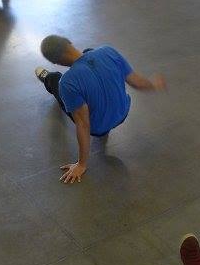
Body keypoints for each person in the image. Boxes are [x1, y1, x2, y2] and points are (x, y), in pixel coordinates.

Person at [34, 35, 165, 184]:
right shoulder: (108, 51)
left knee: (57, 80)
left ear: (55, 62)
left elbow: (83, 124)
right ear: (69, 42)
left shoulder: (67, 83)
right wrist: (154, 84)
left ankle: (47, 78)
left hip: (99, 129)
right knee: (90, 53)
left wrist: (81, 164)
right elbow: (137, 82)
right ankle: (87, 64)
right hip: (122, 113)